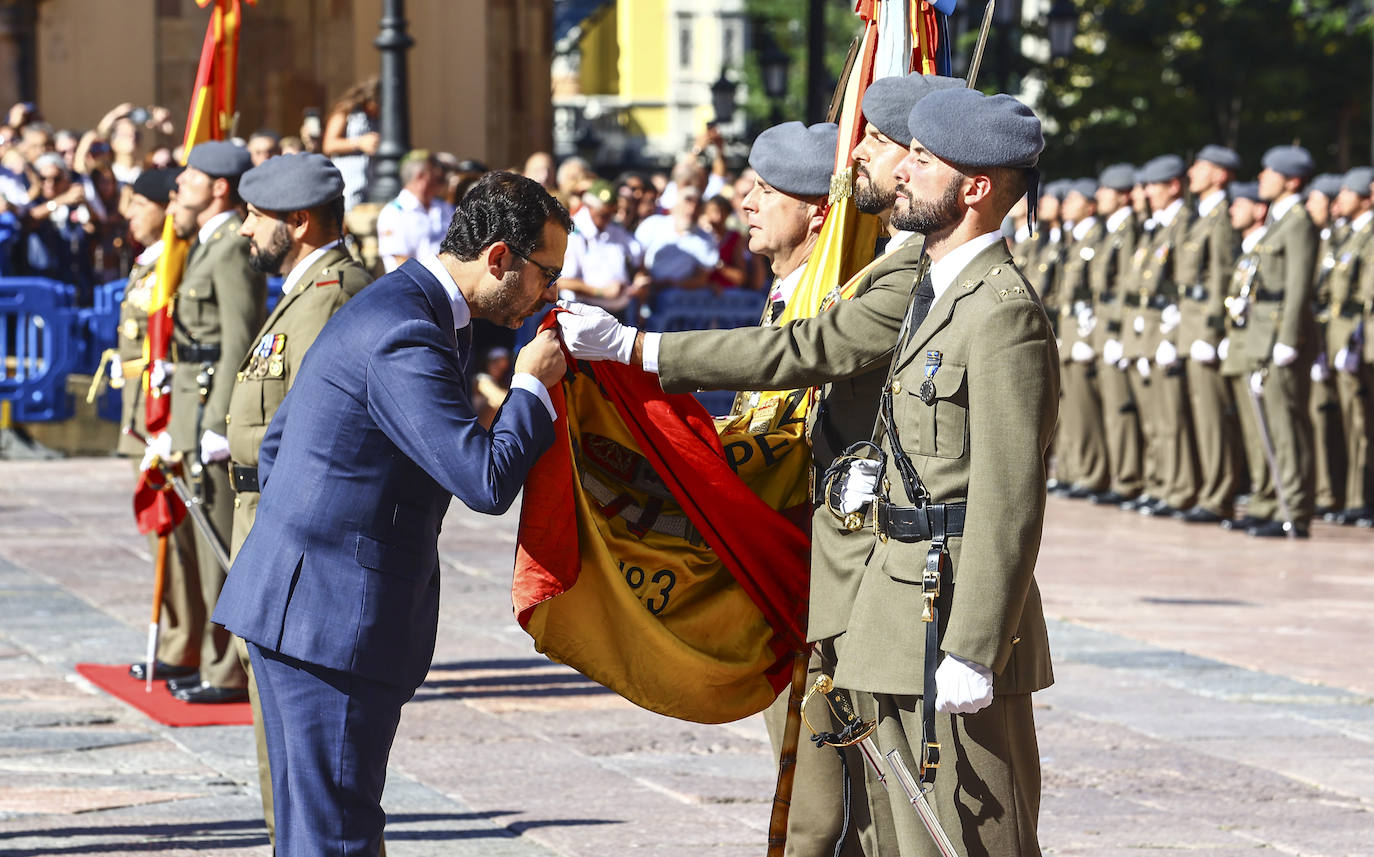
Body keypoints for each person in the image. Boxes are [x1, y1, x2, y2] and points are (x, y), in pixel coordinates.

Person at [557, 72, 965, 857]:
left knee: (854, 800)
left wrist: (640, 369)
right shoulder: (799, 291)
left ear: (817, 211)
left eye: (766, 189)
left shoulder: (856, 289)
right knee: (842, 788)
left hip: (833, 562)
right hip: (811, 563)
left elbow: (797, 382)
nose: (745, 201)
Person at [212, 171, 569, 855]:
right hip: (329, 621)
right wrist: (530, 383)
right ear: (498, 258)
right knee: (336, 836)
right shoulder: (407, 327)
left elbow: (284, 440)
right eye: (544, 274)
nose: (548, 293)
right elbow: (485, 481)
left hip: (302, 604)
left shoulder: (410, 304)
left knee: (315, 831)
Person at [224, 152, 374, 846]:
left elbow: (313, 422)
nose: (246, 230)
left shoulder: (335, 294)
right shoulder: (302, 288)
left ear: (298, 221)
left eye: (256, 217)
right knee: (276, 730)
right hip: (263, 518)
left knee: (305, 750)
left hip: (296, 532)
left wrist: (241, 444)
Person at [162, 140, 266, 702]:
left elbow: (237, 338)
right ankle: (209, 659)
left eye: (192, 178)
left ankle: (227, 669)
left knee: (218, 543)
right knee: (201, 545)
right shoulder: (205, 244)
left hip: (211, 406)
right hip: (190, 405)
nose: (180, 187)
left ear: (220, 187)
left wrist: (220, 421)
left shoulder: (229, 248)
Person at [119, 167, 204, 685]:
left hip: (163, 411)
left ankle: (184, 644)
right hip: (139, 409)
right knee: (157, 530)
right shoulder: (151, 263)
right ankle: (179, 635)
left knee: (173, 530)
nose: (130, 213)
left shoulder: (175, 264)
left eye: (137, 203)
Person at [1246, 145, 1319, 537]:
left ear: (1291, 180)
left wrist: (1289, 337)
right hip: (1264, 332)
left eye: (1270, 172)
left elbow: (1298, 285)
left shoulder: (1299, 222)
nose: (1262, 177)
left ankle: (1294, 510)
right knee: (1272, 424)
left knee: (1287, 425)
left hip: (1282, 333)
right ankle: (1276, 501)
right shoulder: (1279, 219)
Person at [1174, 145, 1242, 523]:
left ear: (1219, 175)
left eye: (1201, 167)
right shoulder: (1199, 217)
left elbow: (1222, 277)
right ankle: (1208, 489)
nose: (1192, 172)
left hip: (1204, 327)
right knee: (1199, 413)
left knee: (1213, 416)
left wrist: (1213, 331)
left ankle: (1220, 495)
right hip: (1189, 323)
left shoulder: (1221, 219)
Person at [1131, 154, 1199, 518]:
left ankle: (1180, 488)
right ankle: (1161, 483)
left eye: (1154, 186)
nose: (1146, 193)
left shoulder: (1184, 222)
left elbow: (1185, 284)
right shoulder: (1157, 227)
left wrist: (1175, 330)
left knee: (1172, 417)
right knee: (1155, 419)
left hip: (1170, 329)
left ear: (1173, 186)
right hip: (1152, 330)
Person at [1089, 163, 1145, 506]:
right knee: (1110, 410)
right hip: (1102, 327)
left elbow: (1127, 285)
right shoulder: (1112, 231)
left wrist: (1118, 329)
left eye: (1106, 190)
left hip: (1124, 328)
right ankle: (1120, 476)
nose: (1099, 197)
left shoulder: (1129, 231)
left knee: (1125, 411)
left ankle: (1129, 478)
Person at [1322, 167, 1374, 525]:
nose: (1340, 199)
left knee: (1362, 423)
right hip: (1342, 334)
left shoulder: (1368, 235)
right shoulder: (1349, 234)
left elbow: (1365, 294)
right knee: (1349, 422)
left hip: (1361, 336)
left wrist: (1355, 339)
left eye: (1349, 192)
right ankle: (1351, 498)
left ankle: (1360, 499)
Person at [1052, 177, 1110, 499]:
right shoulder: (1076, 239)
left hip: (1087, 332)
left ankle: (1091, 473)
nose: (1064, 205)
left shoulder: (1098, 236)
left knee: (1086, 411)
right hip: (1071, 331)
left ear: (1089, 205)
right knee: (1070, 411)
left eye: (1072, 199)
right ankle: (1074, 470)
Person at [557, 179, 642, 317]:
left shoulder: (615, 228)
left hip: (619, 312)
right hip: (584, 313)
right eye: (602, 214)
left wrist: (639, 280)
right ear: (589, 207)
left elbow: (638, 259)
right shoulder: (574, 233)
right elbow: (562, 281)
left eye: (610, 214)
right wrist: (601, 292)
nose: (606, 219)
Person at [375, 150, 454, 272]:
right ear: (421, 177)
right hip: (414, 286)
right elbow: (401, 263)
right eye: (435, 172)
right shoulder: (393, 213)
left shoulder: (445, 208)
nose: (440, 177)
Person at [322, 78, 380, 210]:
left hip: (372, 183)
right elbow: (329, 145)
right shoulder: (346, 111)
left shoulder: (379, 118)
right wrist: (359, 143)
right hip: (350, 182)